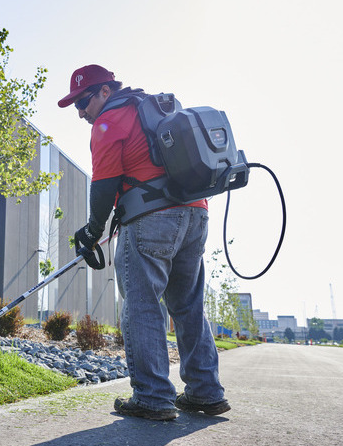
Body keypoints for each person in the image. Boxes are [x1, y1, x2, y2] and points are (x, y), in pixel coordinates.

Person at [58, 64, 230, 421]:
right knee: (188, 305)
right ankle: (206, 391)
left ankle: (152, 397)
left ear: (105, 91)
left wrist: (92, 231)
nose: (81, 112)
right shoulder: (153, 108)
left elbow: (104, 186)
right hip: (195, 215)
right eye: (75, 105)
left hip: (152, 219)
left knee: (143, 305)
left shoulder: (110, 120)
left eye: (83, 101)